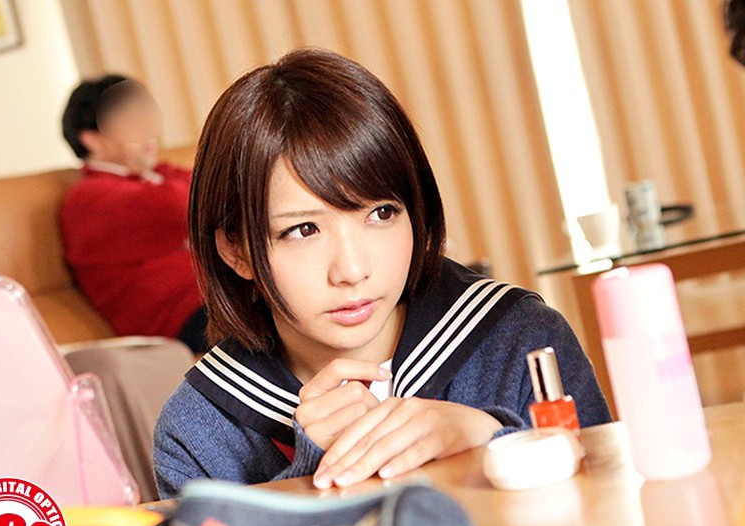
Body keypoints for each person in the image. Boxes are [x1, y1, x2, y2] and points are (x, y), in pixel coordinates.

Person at [153, 49, 612, 498]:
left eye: (381, 213)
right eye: (304, 230)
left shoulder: (521, 338)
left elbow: (612, 511)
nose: (353, 270)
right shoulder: (198, 430)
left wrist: (486, 436)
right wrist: (315, 474)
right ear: (237, 251)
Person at [60, 75, 207, 353]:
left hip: (217, 297)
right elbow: (187, 203)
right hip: (181, 317)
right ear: (92, 140)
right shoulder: (89, 196)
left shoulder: (156, 175)